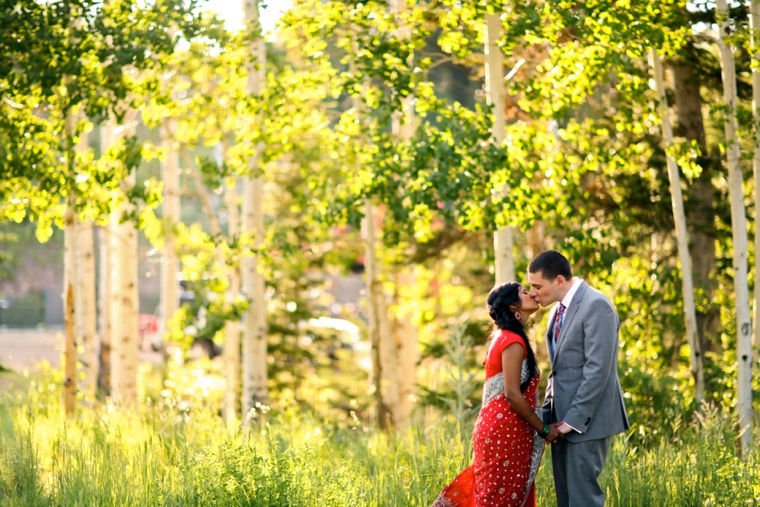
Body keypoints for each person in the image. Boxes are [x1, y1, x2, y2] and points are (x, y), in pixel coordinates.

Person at [431, 282, 562, 507]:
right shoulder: (512, 341)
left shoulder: (502, 337)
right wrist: (544, 429)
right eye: (524, 292)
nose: (531, 293)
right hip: (505, 431)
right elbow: (512, 393)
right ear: (513, 306)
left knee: (494, 495)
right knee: (498, 499)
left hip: (500, 428)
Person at [527, 250, 630, 507]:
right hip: (561, 423)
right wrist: (548, 420)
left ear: (559, 281)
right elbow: (559, 371)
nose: (533, 293)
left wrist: (571, 422)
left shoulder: (597, 305)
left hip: (587, 421)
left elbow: (598, 370)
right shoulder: (556, 312)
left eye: (537, 286)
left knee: (584, 500)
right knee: (567, 500)